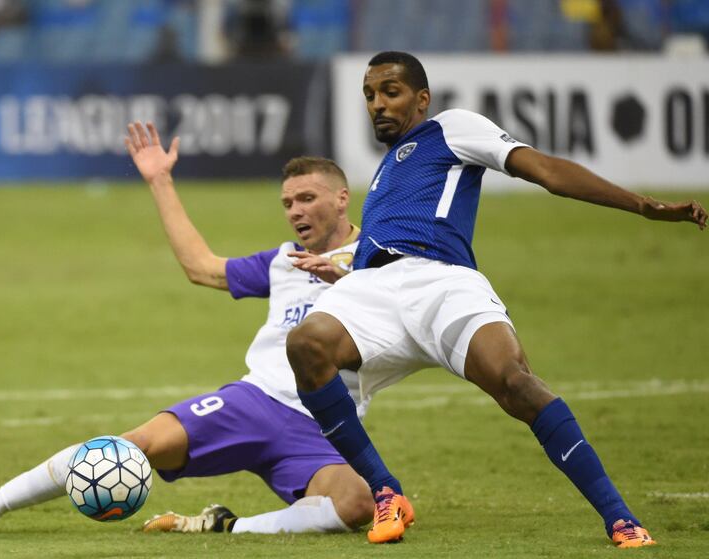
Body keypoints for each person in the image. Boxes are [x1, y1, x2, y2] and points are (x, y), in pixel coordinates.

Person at [286, 51, 707, 546]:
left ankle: (619, 517)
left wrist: (643, 205)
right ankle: (385, 493)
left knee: (516, 383)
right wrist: (346, 268)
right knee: (306, 345)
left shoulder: (451, 128)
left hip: (442, 283)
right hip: (376, 292)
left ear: (422, 99)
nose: (378, 104)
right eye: (370, 95)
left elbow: (545, 170)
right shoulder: (383, 172)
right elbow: (385, 251)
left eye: (390, 92)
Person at [0, 122, 374, 537]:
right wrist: (160, 180)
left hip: (323, 428)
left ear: (341, 198)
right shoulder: (282, 261)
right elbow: (201, 267)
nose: (295, 211)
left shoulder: (381, 264)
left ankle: (223, 526)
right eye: (287, 203)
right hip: (252, 404)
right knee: (126, 449)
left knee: (357, 505)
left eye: (307, 199)